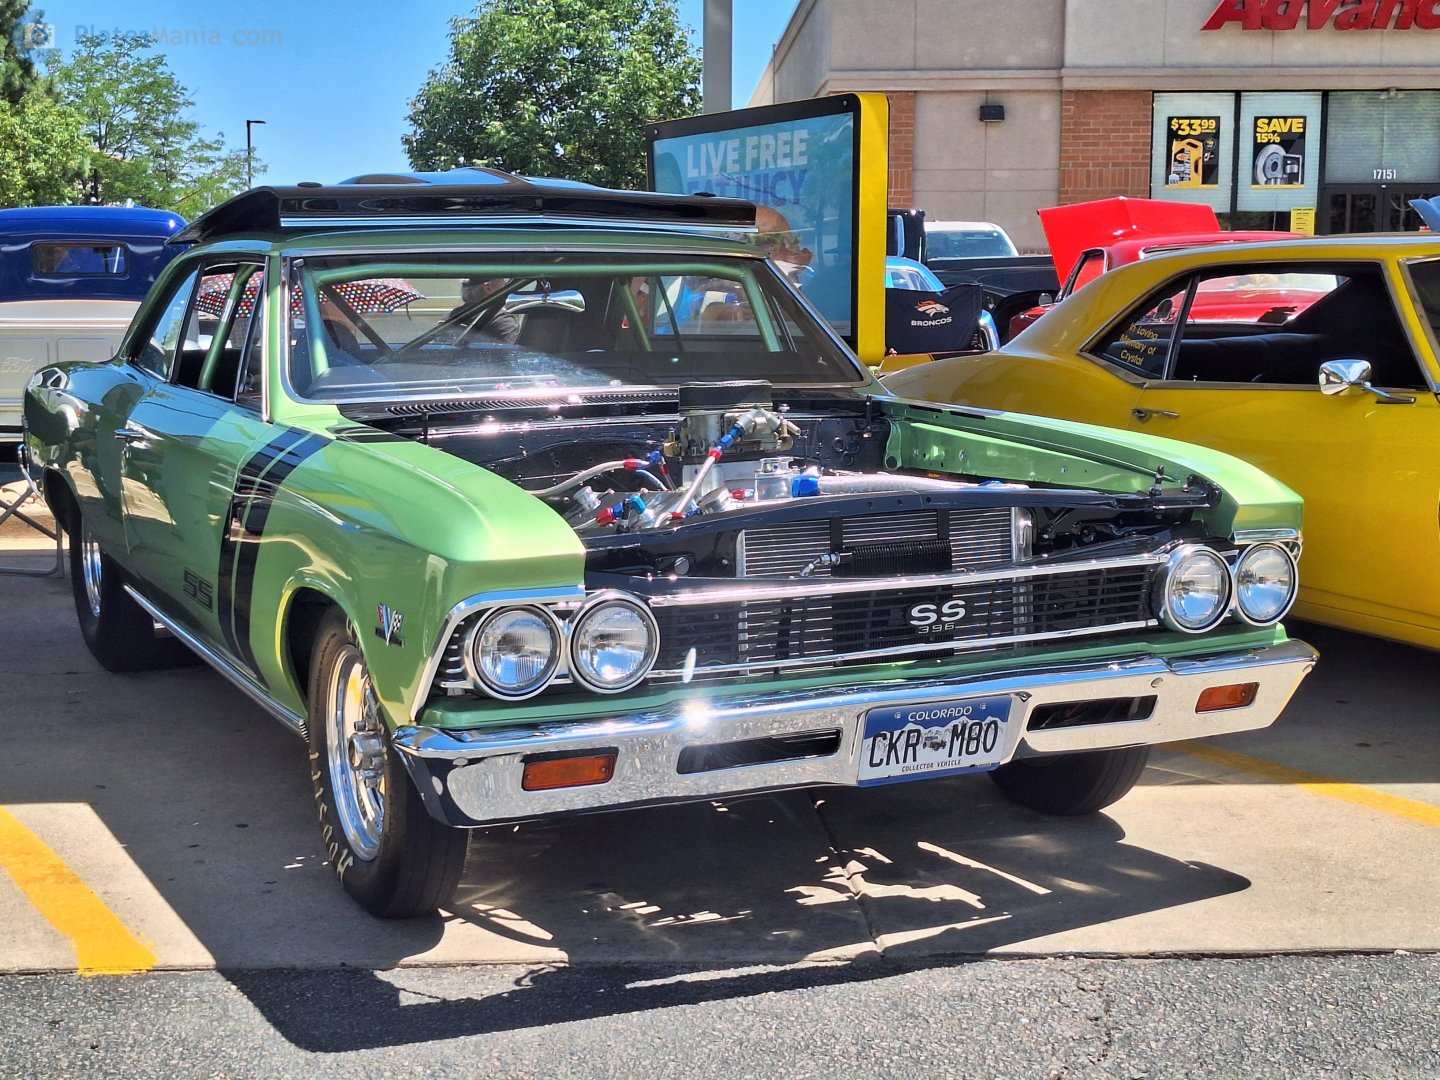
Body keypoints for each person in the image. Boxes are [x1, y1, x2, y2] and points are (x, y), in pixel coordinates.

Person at [450, 277, 520, 343]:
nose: (505, 286)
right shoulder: (503, 321)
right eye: (503, 283)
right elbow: (513, 349)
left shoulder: (451, 317)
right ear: (488, 288)